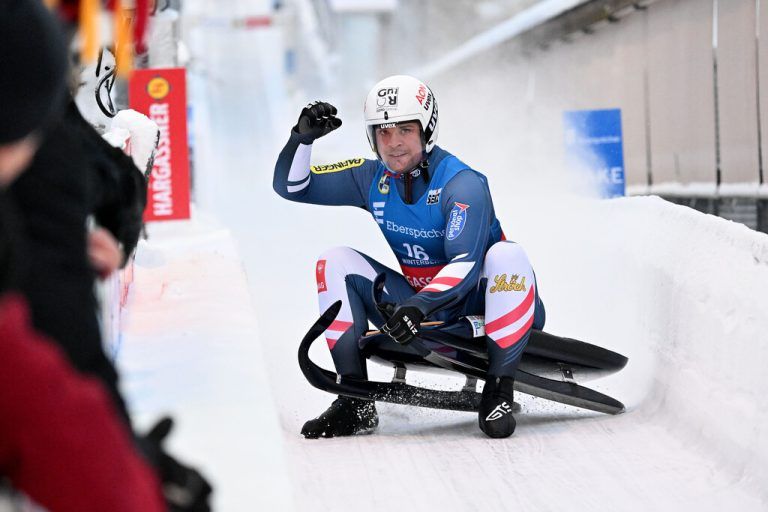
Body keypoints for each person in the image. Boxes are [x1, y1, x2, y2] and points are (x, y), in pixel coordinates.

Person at [273, 75, 546, 439]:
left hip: (489, 308)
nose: (394, 143)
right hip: (424, 309)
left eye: (404, 129)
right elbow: (292, 187)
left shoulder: (462, 183)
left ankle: (499, 390)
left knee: (506, 256)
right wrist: (301, 139)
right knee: (334, 261)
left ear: (426, 130)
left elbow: (465, 264)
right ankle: (354, 403)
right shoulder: (372, 177)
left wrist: (418, 305)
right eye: (383, 132)